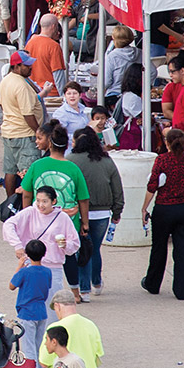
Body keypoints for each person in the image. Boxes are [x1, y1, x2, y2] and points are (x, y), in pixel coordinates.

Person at [141, 127, 184, 300]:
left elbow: (152, 186)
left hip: (163, 208)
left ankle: (153, 283)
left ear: (166, 142)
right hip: (183, 208)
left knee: (159, 247)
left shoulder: (162, 160)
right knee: (182, 249)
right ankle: (181, 289)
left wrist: (144, 207)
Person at [67, 129, 122, 301]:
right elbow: (117, 187)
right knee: (94, 248)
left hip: (77, 213)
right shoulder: (106, 160)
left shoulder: (70, 161)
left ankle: (84, 290)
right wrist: (117, 210)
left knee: (82, 249)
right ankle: (96, 282)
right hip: (102, 213)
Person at [39, 291, 106, 368]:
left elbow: (44, 362)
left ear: (57, 306)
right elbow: (97, 357)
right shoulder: (91, 325)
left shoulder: (55, 329)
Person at [0, 50, 49, 198]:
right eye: (27, 65)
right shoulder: (21, 85)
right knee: (29, 173)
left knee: (10, 171)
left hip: (9, 132)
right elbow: (28, 114)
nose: (30, 68)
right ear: (17, 66)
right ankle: (28, 206)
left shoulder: (5, 81)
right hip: (24, 134)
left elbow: (2, 105)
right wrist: (39, 131)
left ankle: (10, 202)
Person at [10, 238, 55, 368]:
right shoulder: (47, 271)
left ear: (27, 254)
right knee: (39, 345)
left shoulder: (25, 272)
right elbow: (47, 288)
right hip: (41, 311)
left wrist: (19, 267)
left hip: (26, 312)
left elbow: (11, 285)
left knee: (28, 347)